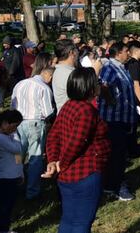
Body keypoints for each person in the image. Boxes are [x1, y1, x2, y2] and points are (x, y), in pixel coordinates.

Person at [43, 68, 112, 233]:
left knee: (69, 219)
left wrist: (53, 161)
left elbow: (53, 136)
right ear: (89, 87)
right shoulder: (86, 111)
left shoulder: (69, 105)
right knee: (81, 222)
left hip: (69, 176)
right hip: (84, 174)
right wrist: (62, 164)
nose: (99, 85)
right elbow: (76, 142)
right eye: (97, 82)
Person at [10, 52, 54, 199]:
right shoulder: (44, 88)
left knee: (17, 156)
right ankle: (32, 191)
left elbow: (12, 105)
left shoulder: (20, 84)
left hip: (18, 123)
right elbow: (48, 111)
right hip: (35, 123)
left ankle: (13, 186)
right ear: (48, 75)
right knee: (35, 158)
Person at [98, 43, 137, 201]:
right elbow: (103, 86)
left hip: (122, 117)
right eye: (126, 51)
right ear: (118, 53)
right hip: (112, 118)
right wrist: (111, 101)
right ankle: (116, 185)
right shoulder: (110, 67)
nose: (128, 53)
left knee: (119, 153)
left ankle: (112, 183)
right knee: (117, 154)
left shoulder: (122, 67)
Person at [0, 109, 23, 233]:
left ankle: (4, 228)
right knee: (2, 206)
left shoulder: (8, 135)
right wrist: (16, 135)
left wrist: (20, 172)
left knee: (8, 205)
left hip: (13, 175)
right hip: (6, 177)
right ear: (6, 123)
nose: (16, 129)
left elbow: (18, 156)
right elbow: (17, 148)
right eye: (15, 126)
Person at [53, 39, 79, 113]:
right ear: (71, 52)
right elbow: (84, 95)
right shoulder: (69, 73)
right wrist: (95, 72)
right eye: (76, 50)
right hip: (71, 118)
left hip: (65, 116)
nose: (78, 52)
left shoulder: (59, 70)